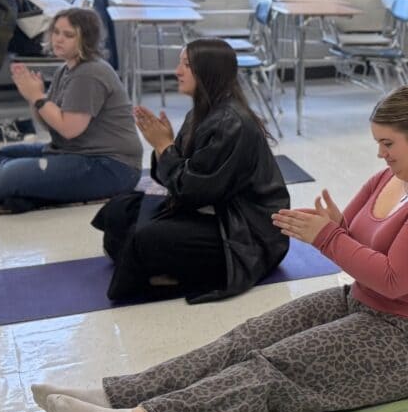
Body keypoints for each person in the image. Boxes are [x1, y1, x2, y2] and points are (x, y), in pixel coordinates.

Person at [33, 86, 408, 412]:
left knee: (278, 368)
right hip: (368, 304)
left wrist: (328, 236)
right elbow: (355, 239)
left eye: (387, 143)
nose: (380, 154)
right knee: (248, 338)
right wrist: (334, 228)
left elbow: (393, 278)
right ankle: (119, 394)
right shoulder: (392, 177)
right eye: (378, 143)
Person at [92, 38, 290, 303]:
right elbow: (176, 179)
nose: (177, 71)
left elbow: (193, 191)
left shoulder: (231, 122)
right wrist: (166, 148)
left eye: (186, 65)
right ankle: (162, 268)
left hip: (247, 232)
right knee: (120, 209)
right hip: (215, 211)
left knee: (148, 238)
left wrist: (164, 147)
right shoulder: (204, 111)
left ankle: (169, 271)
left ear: (208, 71)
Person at [0, 7, 142, 209]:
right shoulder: (65, 70)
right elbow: (50, 123)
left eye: (68, 35)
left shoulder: (90, 73)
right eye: (56, 32)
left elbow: (69, 129)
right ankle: (33, 190)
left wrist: (37, 96)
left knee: (2, 178)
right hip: (70, 152)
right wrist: (34, 98)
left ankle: (26, 189)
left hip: (110, 167)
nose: (58, 39)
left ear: (86, 40)